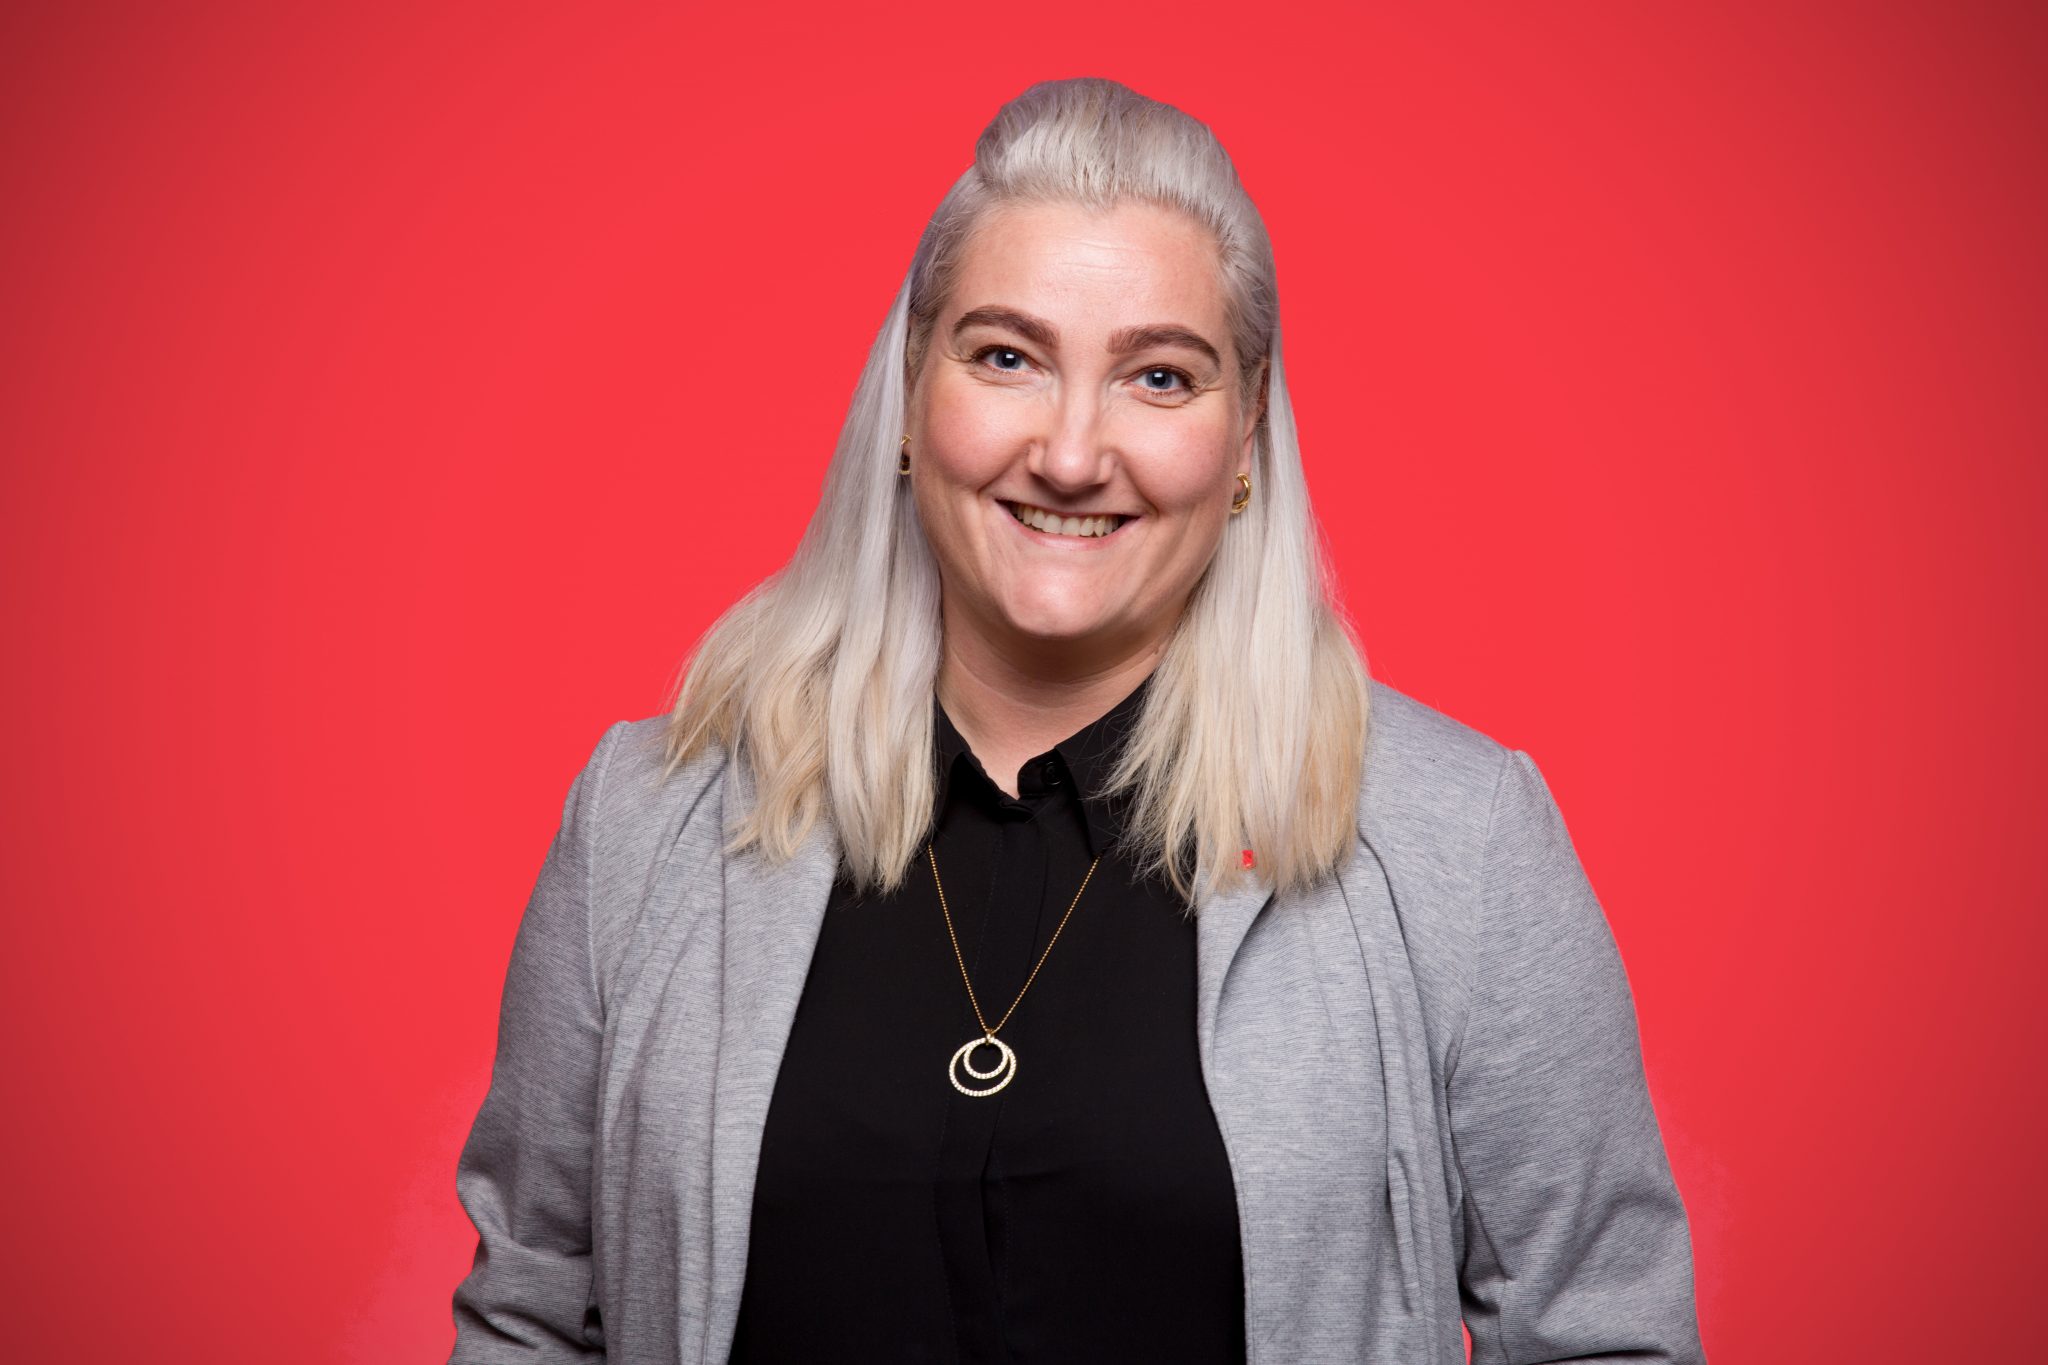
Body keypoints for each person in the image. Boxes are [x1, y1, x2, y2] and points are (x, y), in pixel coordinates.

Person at [448, 77, 1706, 1365]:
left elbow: (1607, 1336)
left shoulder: (1460, 842)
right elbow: (531, 1317)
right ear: (909, 392)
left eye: (1159, 377)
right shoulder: (644, 822)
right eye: (1007, 357)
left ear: (1246, 435)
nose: (1069, 453)